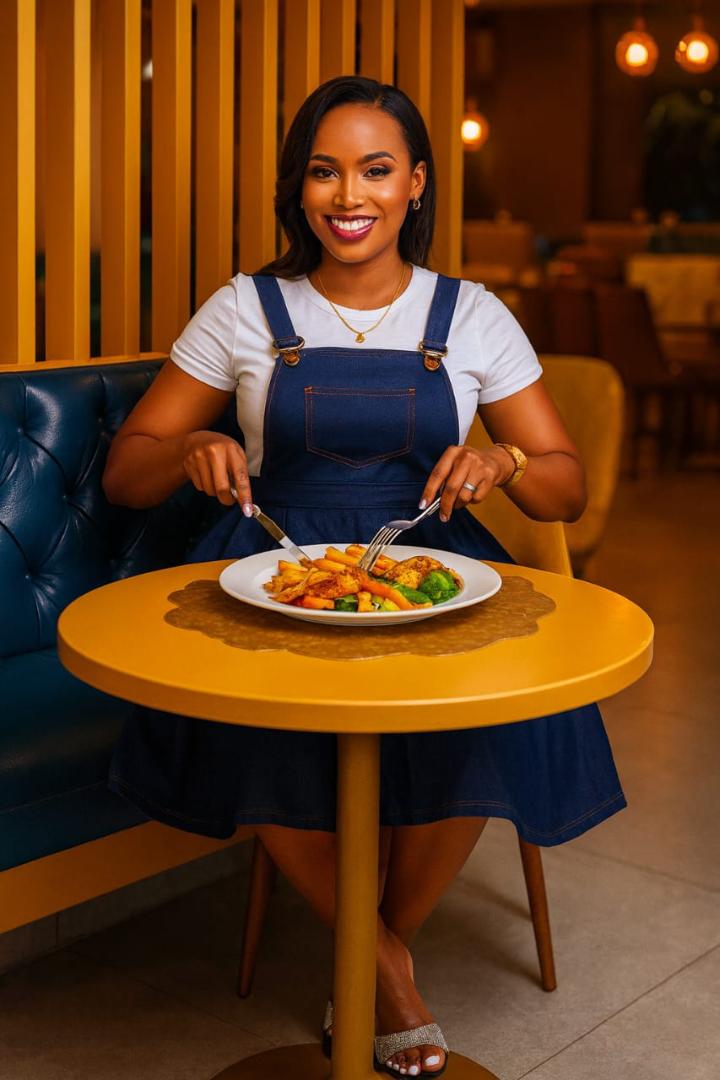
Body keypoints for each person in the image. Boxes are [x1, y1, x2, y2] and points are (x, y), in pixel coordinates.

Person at [104, 76, 626, 1078]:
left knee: (501, 707)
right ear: (299, 190)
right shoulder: (245, 309)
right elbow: (129, 473)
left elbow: (565, 485)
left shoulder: (470, 314)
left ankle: (376, 951)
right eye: (325, 171)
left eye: (377, 170)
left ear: (417, 184)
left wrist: (504, 462)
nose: (351, 195)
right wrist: (191, 450)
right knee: (238, 709)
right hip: (274, 567)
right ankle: (387, 976)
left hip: (433, 570)